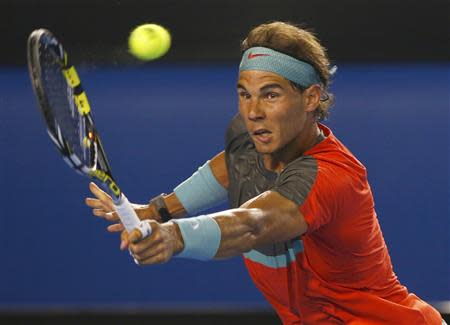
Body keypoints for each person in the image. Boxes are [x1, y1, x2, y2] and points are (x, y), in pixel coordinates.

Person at [85, 22, 444, 325]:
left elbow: (254, 223)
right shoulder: (250, 135)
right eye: (244, 94)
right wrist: (158, 210)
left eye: (270, 95)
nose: (253, 111)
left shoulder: (330, 176)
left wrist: (175, 236)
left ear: (310, 97)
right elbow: (232, 164)